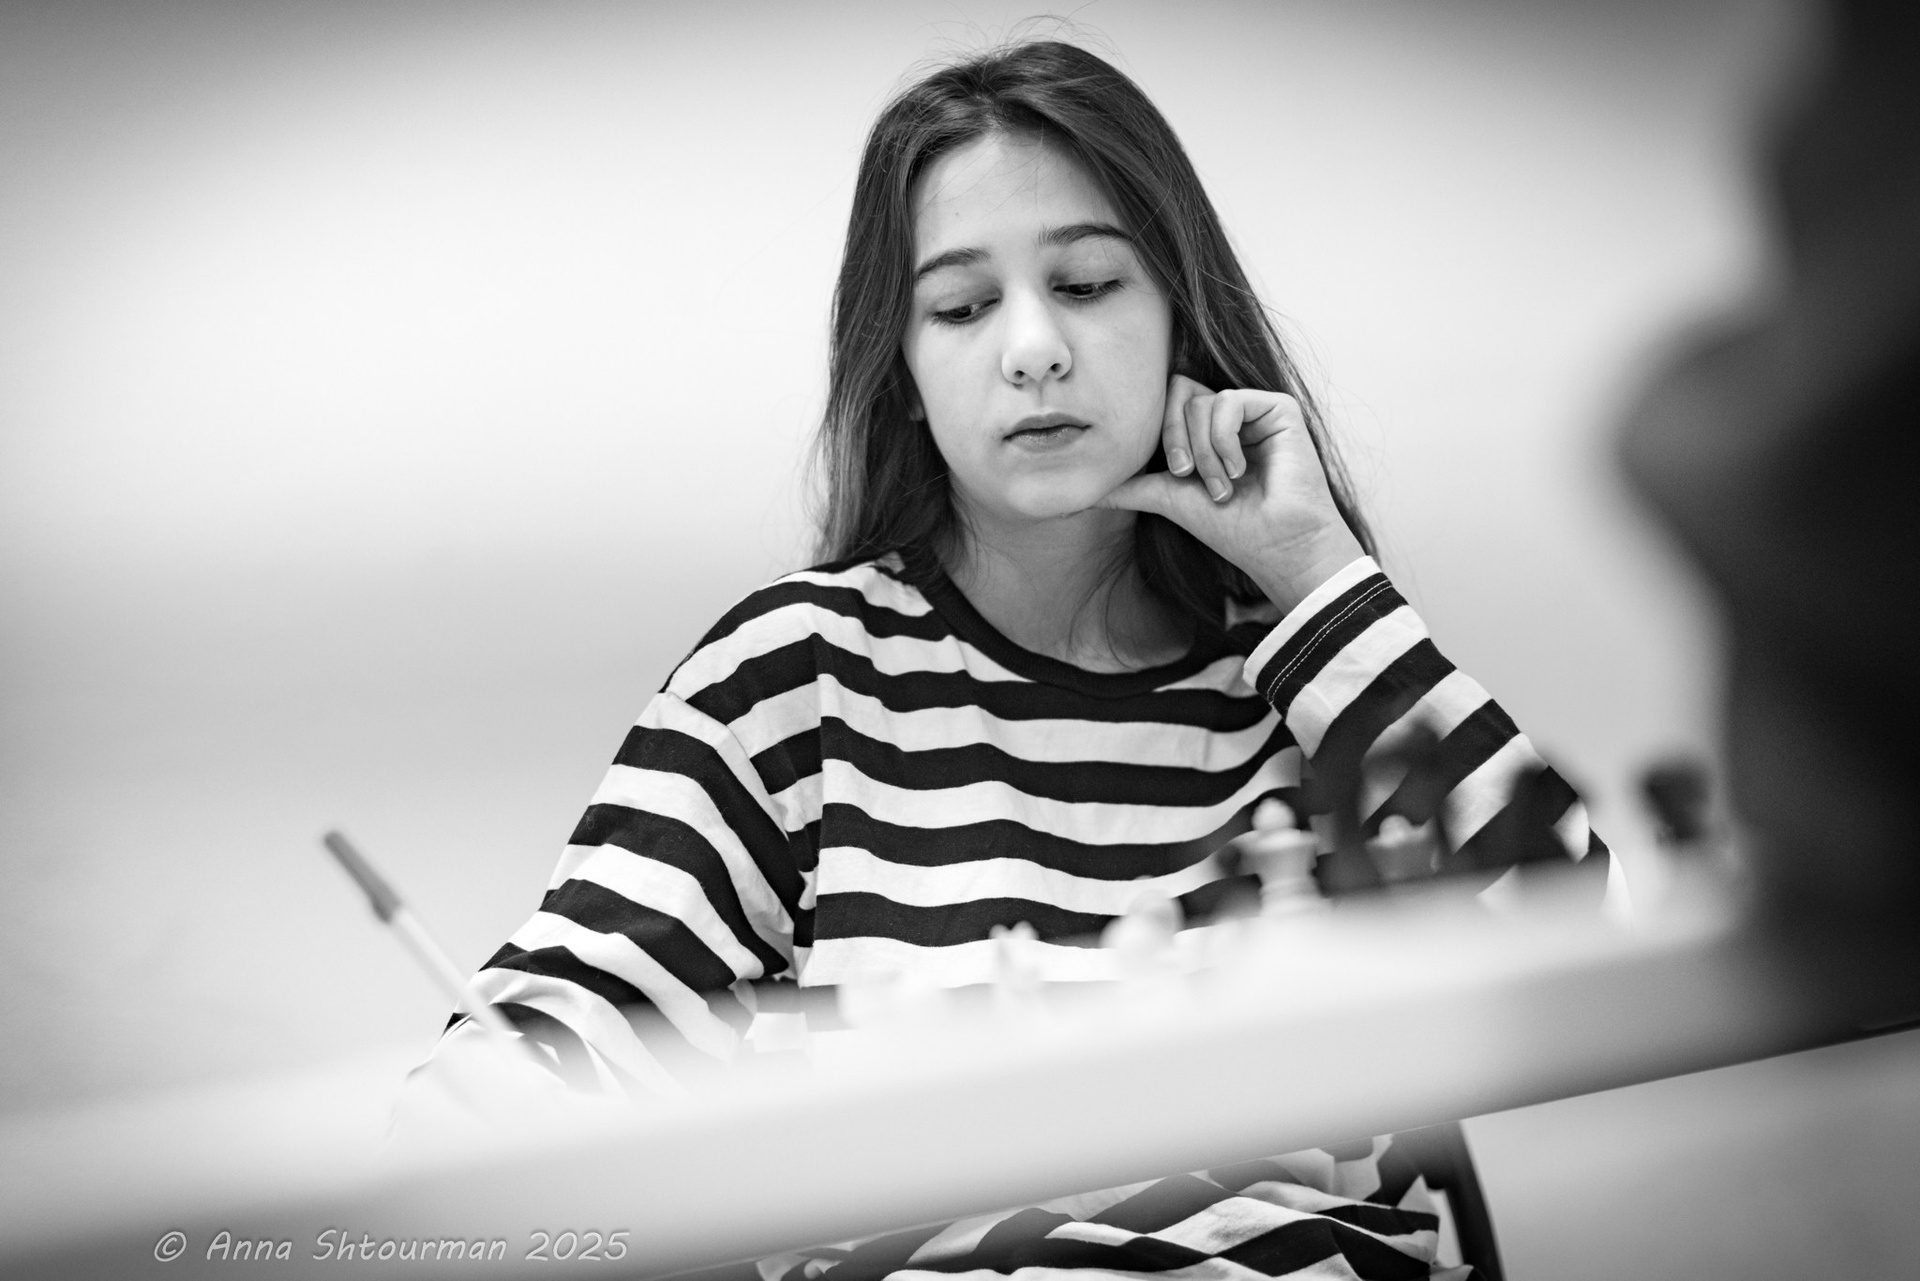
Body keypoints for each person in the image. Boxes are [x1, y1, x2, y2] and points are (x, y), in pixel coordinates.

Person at [428, 38, 1604, 1279]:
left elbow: (1594, 966)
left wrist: (1316, 575)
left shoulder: (1312, 681)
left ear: (1181, 317)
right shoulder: (796, 681)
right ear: (903, 373)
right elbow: (503, 1093)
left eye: (1088, 283)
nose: (1033, 347)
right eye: (962, 306)